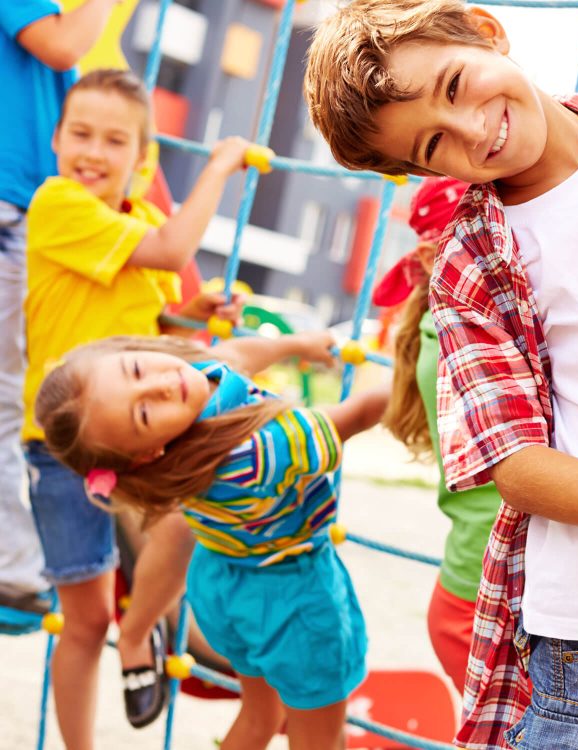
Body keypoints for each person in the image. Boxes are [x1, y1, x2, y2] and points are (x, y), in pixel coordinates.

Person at [304, 2, 578, 748]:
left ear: (485, 31)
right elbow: (518, 469)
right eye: (435, 143)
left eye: (455, 84)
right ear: (422, 171)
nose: (474, 130)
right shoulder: (474, 263)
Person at [23, 67, 257, 746]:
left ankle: (140, 637)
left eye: (114, 140)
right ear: (58, 139)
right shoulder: (58, 205)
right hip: (64, 442)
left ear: (141, 157)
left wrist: (192, 316)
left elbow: (149, 324)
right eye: (80, 134)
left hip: (130, 436)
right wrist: (220, 166)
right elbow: (174, 248)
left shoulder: (144, 220)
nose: (93, 152)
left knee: (185, 523)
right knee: (83, 615)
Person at [34, 333, 389, 750]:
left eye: (135, 368)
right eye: (145, 413)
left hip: (226, 583)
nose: (161, 385)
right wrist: (432, 365)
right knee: (322, 738)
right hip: (292, 598)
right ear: (148, 453)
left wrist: (296, 344)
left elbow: (232, 355)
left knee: (261, 716)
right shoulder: (256, 452)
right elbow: (363, 411)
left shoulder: (188, 405)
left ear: (127, 349)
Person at [0, 0, 121, 615]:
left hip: (20, 197)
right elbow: (66, 46)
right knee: (9, 392)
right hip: (10, 200)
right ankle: (14, 568)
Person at [376, 175, 503, 695]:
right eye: (477, 237)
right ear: (432, 260)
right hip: (478, 603)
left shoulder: (440, 328)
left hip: (476, 591)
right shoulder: (454, 344)